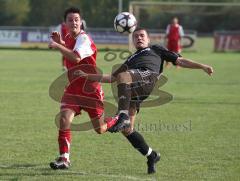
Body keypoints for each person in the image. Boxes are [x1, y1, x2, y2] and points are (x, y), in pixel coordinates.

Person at [75, 27, 214, 174]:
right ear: (133, 41)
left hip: (148, 76)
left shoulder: (155, 49)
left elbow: (180, 60)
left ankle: (122, 115)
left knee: (124, 77)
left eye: (142, 36)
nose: (139, 38)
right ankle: (151, 155)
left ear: (148, 39)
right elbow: (111, 78)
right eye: (136, 37)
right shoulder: (130, 59)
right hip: (135, 91)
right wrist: (87, 76)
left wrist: (202, 66)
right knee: (127, 130)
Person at [48, 7, 119, 170]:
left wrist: (58, 46)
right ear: (64, 23)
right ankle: (64, 158)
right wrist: (61, 43)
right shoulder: (67, 36)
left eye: (76, 20)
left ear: (81, 22)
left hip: (90, 90)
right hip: (73, 89)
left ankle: (118, 118)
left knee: (100, 129)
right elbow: (71, 50)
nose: (73, 22)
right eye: (70, 20)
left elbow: (76, 56)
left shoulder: (84, 39)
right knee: (64, 119)